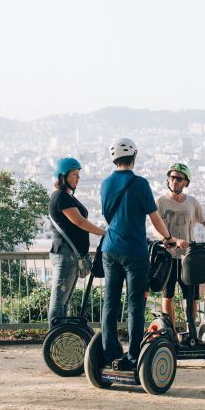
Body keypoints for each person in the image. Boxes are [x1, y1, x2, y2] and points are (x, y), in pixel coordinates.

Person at [99, 138, 185, 370]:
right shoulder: (140, 184)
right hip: (135, 251)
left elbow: (108, 216)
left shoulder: (105, 184)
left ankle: (110, 352)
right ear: (134, 157)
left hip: (110, 249)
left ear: (114, 159)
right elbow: (154, 218)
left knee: (110, 302)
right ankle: (133, 356)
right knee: (135, 304)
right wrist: (168, 238)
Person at [157, 162, 205, 334]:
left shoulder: (192, 202)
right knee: (167, 296)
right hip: (168, 257)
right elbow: (156, 228)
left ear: (186, 182)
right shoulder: (160, 202)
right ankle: (171, 333)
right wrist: (174, 240)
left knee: (191, 298)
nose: (174, 181)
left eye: (179, 178)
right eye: (171, 177)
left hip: (188, 257)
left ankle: (190, 331)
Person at [47, 157, 106, 328]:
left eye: (78, 174)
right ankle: (53, 338)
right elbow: (79, 222)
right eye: (74, 174)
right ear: (62, 177)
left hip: (70, 255)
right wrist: (105, 233)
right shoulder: (60, 197)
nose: (78, 178)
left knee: (64, 302)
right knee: (59, 301)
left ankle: (61, 338)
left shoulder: (66, 196)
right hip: (65, 254)